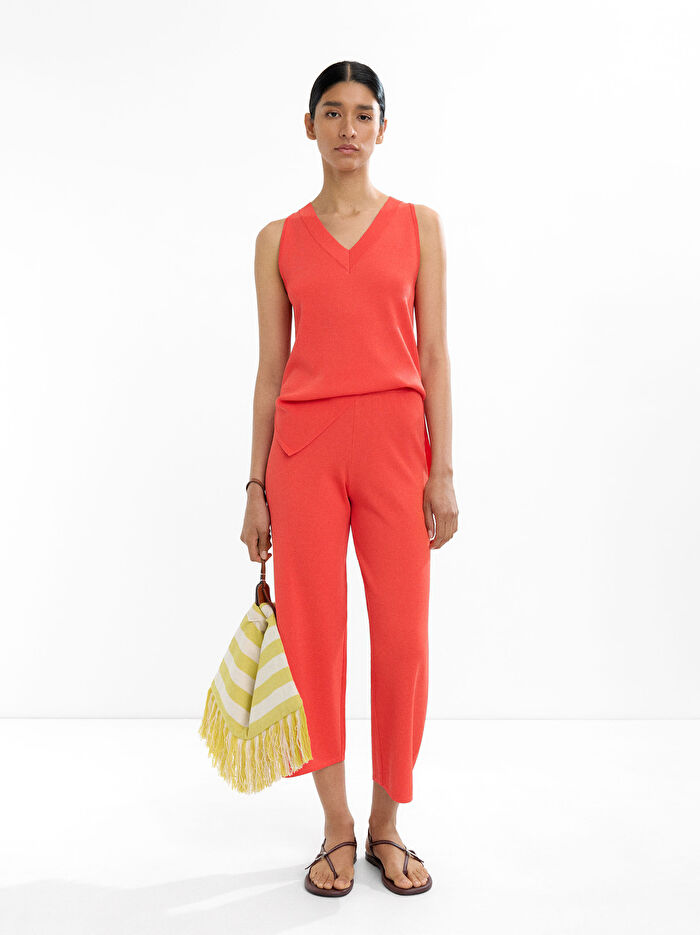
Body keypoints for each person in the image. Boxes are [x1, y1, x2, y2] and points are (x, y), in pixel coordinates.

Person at [240, 60, 458, 896]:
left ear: (382, 129)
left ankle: (387, 822)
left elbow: (434, 356)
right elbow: (270, 369)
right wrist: (255, 486)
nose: (347, 129)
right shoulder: (278, 239)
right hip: (303, 453)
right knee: (312, 639)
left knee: (403, 638)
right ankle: (335, 826)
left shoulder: (419, 226)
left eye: (363, 114)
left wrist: (443, 469)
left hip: (397, 446)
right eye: (331, 113)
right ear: (310, 126)